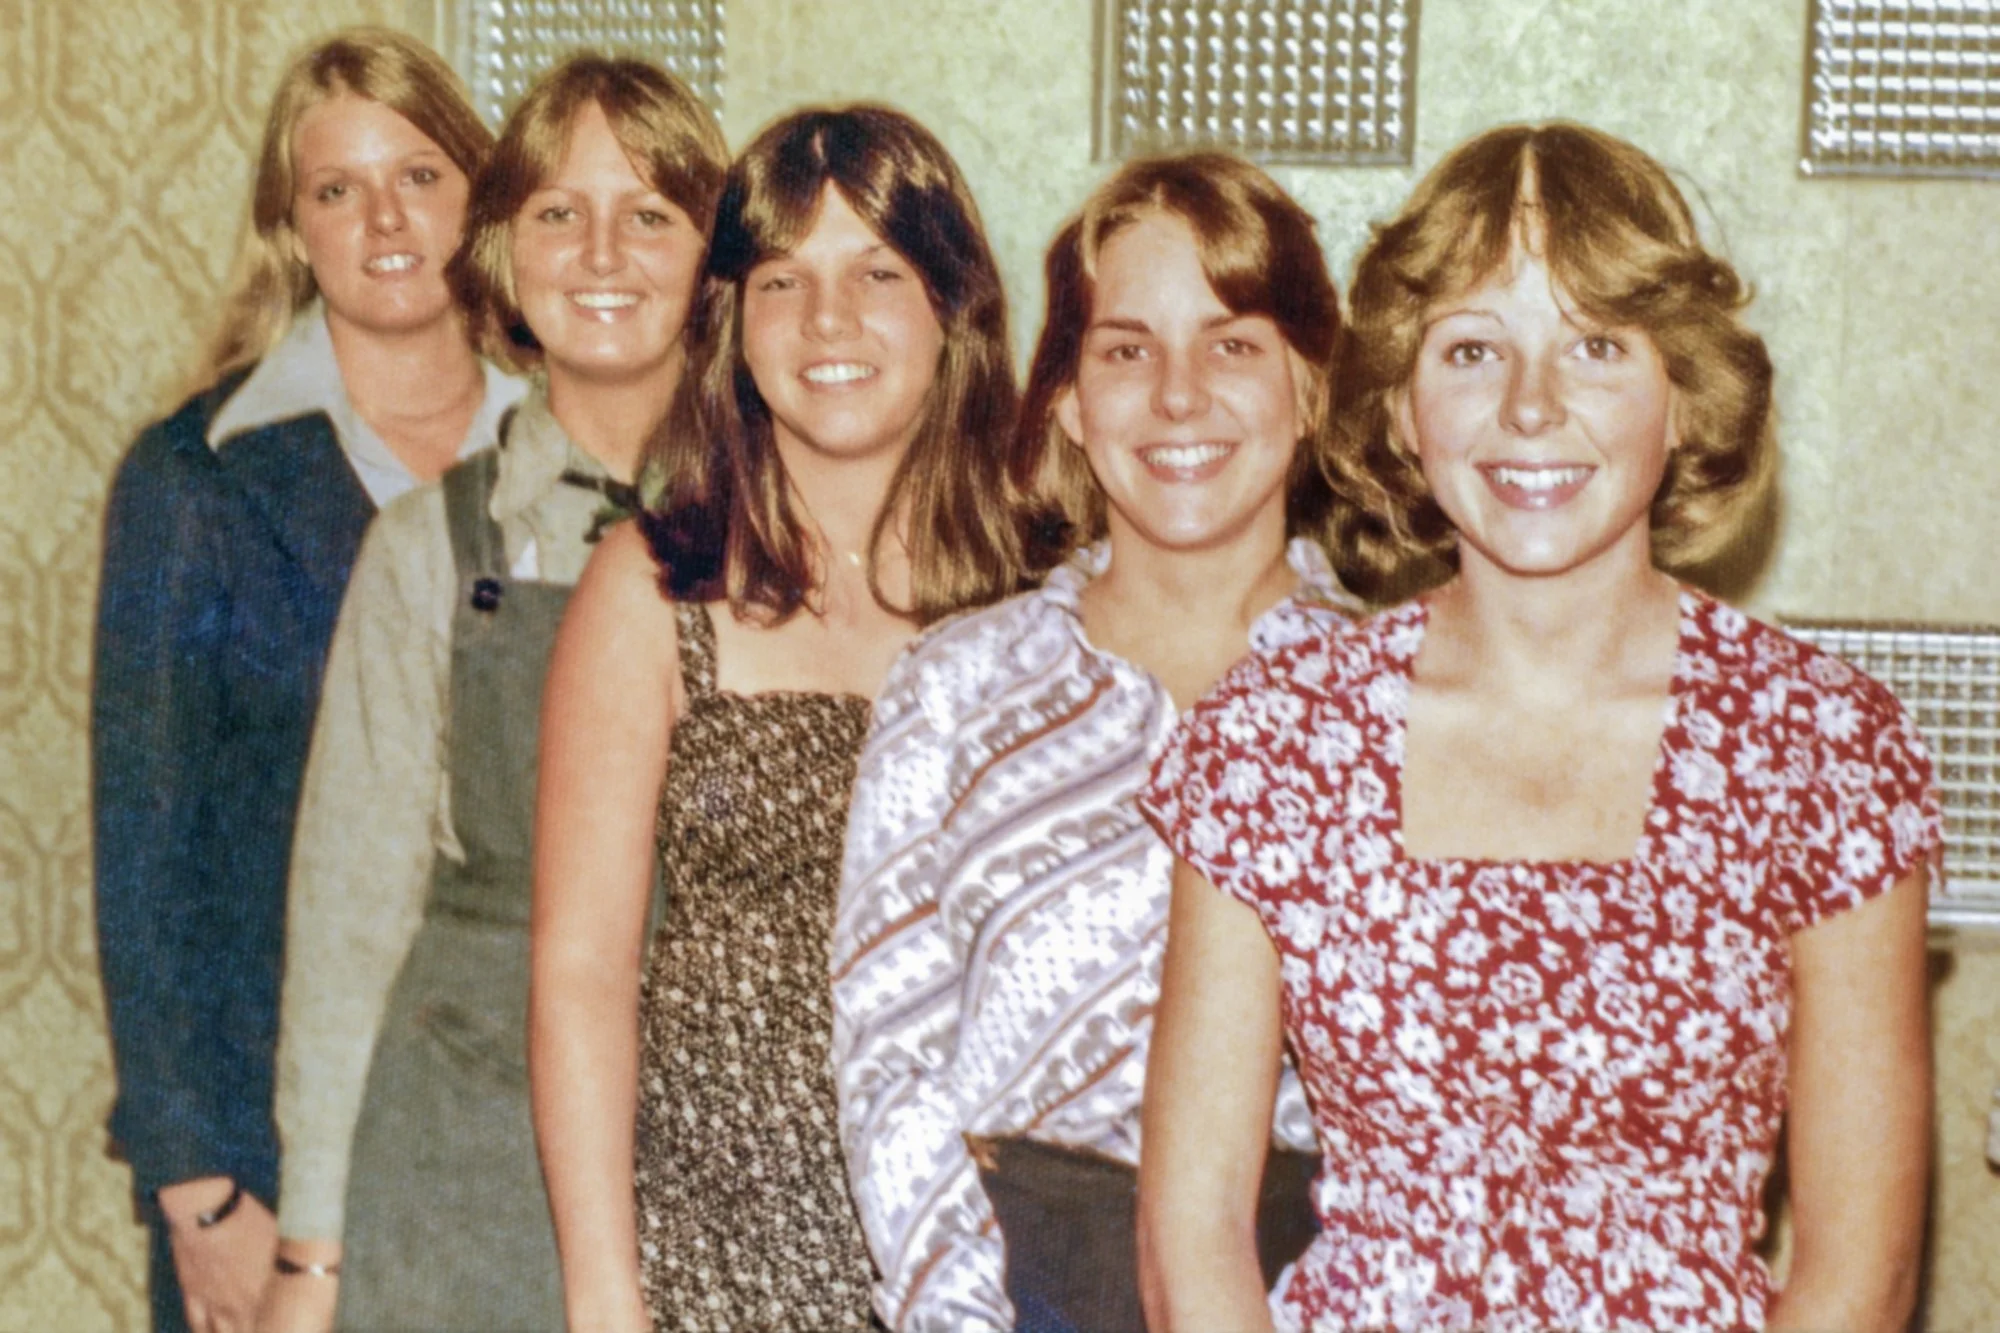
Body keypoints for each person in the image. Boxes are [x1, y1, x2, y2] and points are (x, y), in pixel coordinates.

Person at [1135, 121, 1942, 1333]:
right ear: (1404, 410)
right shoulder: (1274, 741)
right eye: (1469, 350)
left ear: (1683, 401)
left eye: (1594, 348)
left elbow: (1858, 1274)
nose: (1527, 407)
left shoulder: (1817, 744)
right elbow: (1187, 1243)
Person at [831, 152, 1360, 1333]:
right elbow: (888, 1066)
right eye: (1125, 349)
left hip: (1319, 1281)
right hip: (1020, 1281)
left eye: (1230, 344)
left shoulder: (1399, 699)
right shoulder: (953, 689)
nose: (1177, 396)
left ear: (1310, 385)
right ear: (1066, 397)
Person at [529, 104, 1037, 1332]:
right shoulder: (653, 587)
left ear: (951, 308)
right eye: (781, 278)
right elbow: (581, 975)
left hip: (990, 1266)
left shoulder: (1047, 594)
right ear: (731, 321)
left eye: (877, 272)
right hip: (718, 1259)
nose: (828, 322)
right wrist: (607, 1296)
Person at [255, 56, 727, 1333]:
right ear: (504, 257)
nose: (599, 253)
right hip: (467, 1160)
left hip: (728, 1153)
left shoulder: (790, 547)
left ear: (713, 261)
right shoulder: (427, 551)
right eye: (555, 215)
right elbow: (351, 922)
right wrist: (310, 1255)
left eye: (649, 214)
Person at [90, 28, 512, 1333]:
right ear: (293, 227)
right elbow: (146, 864)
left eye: (421, 175)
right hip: (265, 1161)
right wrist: (199, 1191)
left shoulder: (577, 459)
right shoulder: (199, 480)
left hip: (509, 1136)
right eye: (338, 189)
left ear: (479, 199)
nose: (385, 219)